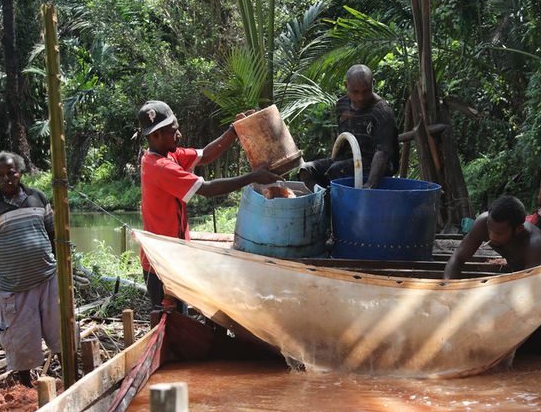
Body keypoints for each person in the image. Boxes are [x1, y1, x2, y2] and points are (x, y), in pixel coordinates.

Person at [138, 100, 279, 309]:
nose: (180, 135)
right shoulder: (160, 167)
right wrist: (252, 177)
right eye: (174, 131)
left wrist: (234, 130)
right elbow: (207, 189)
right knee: (169, 320)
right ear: (156, 135)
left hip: (175, 255)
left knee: (178, 317)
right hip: (161, 262)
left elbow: (206, 154)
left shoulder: (169, 153)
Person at [0, 152, 61, 387]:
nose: (7, 178)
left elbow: (53, 234)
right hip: (15, 286)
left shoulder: (38, 197)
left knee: (61, 331)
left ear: (20, 172)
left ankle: (71, 376)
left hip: (47, 278)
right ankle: (25, 388)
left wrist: (60, 265)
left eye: (11, 172)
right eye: (0, 175)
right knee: (21, 339)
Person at [298, 64, 398, 190]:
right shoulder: (342, 105)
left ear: (373, 84)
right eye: (355, 92)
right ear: (346, 86)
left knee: (336, 170)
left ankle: (333, 202)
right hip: (347, 160)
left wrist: (369, 186)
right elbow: (341, 140)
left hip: (374, 165)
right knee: (306, 170)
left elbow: (382, 153)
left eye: (365, 91)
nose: (361, 98)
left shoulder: (382, 112)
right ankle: (322, 200)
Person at [444, 195, 541, 280]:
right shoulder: (483, 223)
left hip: (539, 277)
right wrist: (448, 286)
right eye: (489, 229)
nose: (491, 236)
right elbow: (458, 257)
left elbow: (529, 285)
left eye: (499, 233)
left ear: (519, 229)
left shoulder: (534, 245)